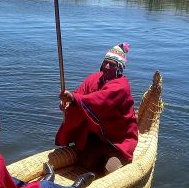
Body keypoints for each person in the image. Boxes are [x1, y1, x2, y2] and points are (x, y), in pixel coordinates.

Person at [56, 42, 138, 174]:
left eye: (112, 64)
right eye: (105, 62)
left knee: (110, 170)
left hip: (117, 140)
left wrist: (73, 98)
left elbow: (100, 100)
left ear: (120, 68)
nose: (106, 66)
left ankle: (117, 160)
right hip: (97, 136)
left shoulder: (121, 86)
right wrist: (67, 103)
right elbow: (79, 94)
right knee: (86, 164)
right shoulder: (94, 79)